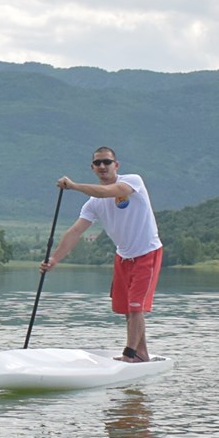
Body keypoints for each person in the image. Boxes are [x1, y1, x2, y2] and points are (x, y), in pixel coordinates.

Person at [39, 146, 164, 361]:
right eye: (98, 163)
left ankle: (129, 355)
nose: (102, 166)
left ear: (116, 165)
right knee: (128, 309)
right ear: (92, 167)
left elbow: (108, 192)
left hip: (147, 252)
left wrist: (74, 186)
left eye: (107, 162)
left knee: (136, 308)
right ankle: (141, 353)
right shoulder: (93, 204)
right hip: (123, 257)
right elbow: (75, 231)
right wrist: (54, 259)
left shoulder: (132, 181)